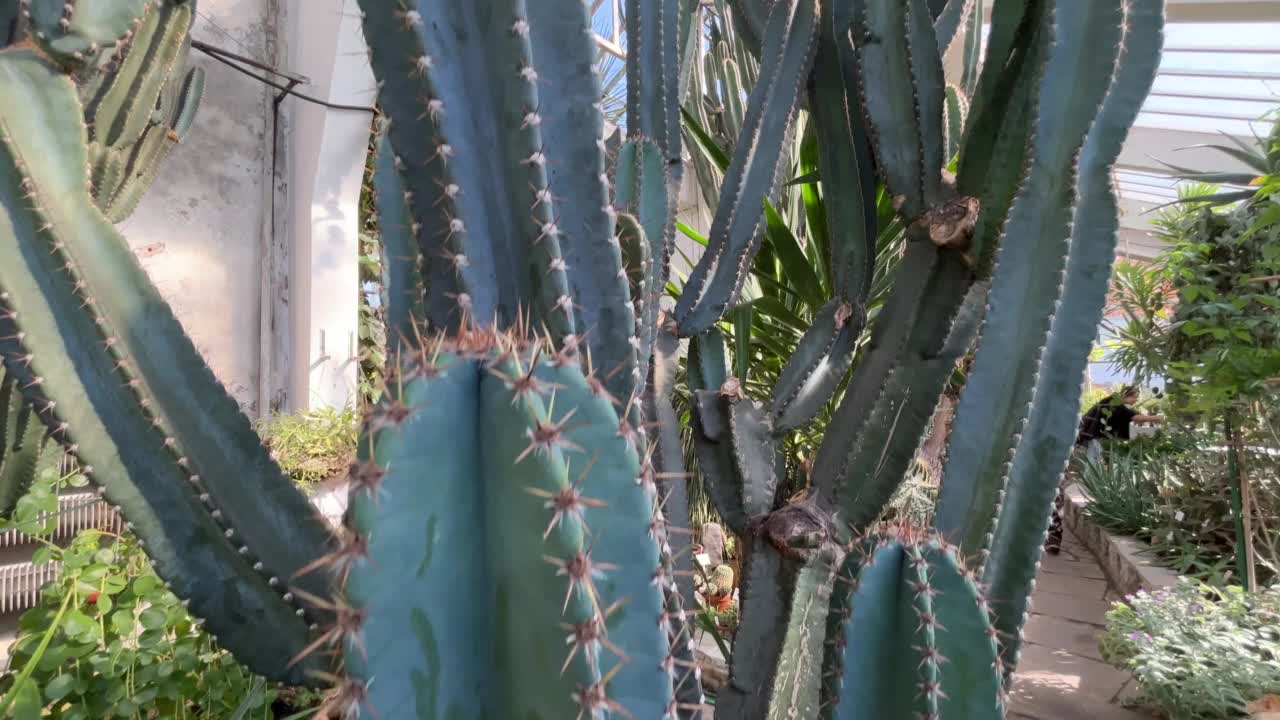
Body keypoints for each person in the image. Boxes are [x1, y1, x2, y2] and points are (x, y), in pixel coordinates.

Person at [1044, 386, 1163, 554]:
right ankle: (1055, 531)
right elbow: (1135, 417)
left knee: (1057, 487)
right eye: (1134, 398)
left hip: (1075, 442)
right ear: (1127, 395)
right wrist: (1158, 418)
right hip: (1086, 441)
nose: (1135, 401)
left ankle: (1053, 533)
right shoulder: (1115, 405)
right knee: (1088, 466)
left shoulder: (1109, 404)